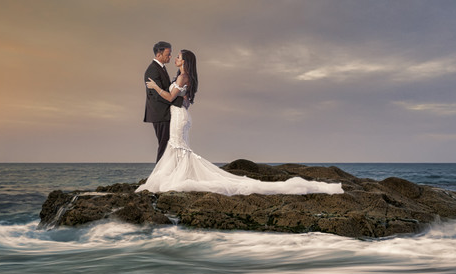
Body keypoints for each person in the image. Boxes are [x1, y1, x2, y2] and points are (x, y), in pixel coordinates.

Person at [136, 49, 343, 196]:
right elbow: (184, 100)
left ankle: (175, 178)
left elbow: (171, 98)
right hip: (181, 116)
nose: (175, 58)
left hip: (178, 116)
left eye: (178, 57)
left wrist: (154, 87)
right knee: (179, 148)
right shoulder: (185, 76)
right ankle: (177, 176)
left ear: (185, 61)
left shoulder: (183, 78)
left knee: (177, 147)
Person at [143, 41, 181, 162]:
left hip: (164, 113)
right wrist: (178, 101)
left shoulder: (161, 68)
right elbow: (157, 96)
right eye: (168, 54)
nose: (170, 56)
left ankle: (166, 174)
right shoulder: (152, 70)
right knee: (164, 145)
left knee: (167, 144)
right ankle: (158, 175)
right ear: (159, 55)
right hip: (160, 114)